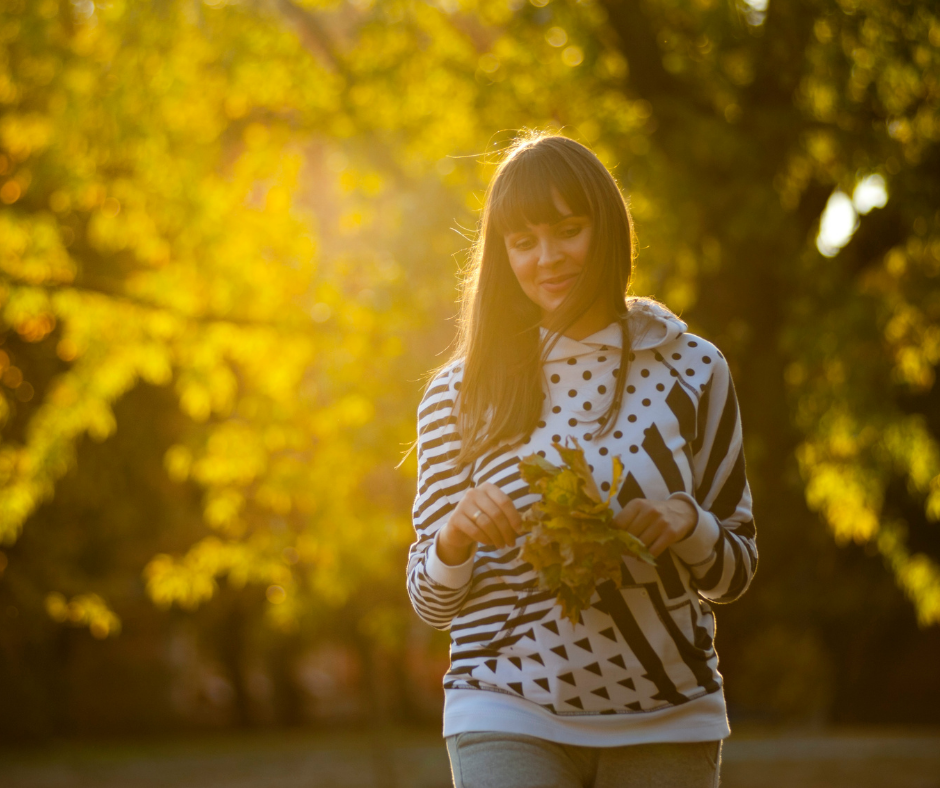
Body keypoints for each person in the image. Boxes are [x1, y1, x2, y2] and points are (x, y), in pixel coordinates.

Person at [405, 131, 757, 788]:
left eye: (568, 230)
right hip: (504, 706)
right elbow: (428, 598)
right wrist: (454, 534)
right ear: (502, 252)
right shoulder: (460, 391)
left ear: (610, 229)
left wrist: (690, 522)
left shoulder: (694, 370)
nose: (547, 258)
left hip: (668, 715)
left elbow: (735, 571)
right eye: (523, 241)